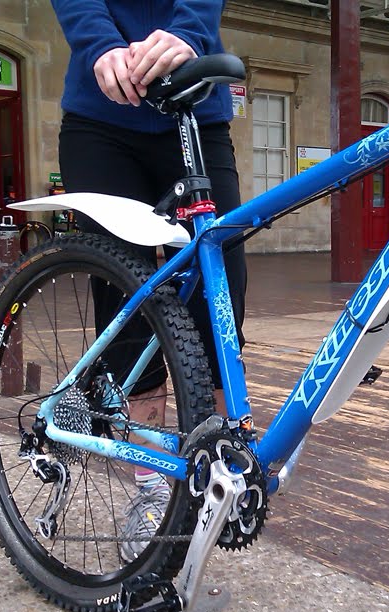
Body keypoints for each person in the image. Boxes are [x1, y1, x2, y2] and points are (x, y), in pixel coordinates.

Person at [51, 0, 246, 562]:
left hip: (194, 105)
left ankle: (220, 467)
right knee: (128, 304)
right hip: (103, 116)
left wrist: (188, 33)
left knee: (222, 295)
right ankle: (152, 489)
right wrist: (99, 45)